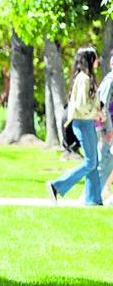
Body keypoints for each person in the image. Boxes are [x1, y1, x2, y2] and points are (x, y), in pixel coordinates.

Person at [47, 46, 103, 205]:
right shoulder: (83, 79)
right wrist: (96, 113)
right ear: (90, 60)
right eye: (95, 57)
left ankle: (93, 200)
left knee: (93, 162)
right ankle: (56, 185)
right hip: (82, 123)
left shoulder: (86, 78)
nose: (98, 61)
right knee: (90, 162)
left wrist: (98, 110)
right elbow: (81, 105)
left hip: (87, 122)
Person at [98, 52, 113, 199]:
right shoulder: (110, 81)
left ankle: (105, 189)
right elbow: (104, 106)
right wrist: (108, 129)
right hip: (108, 126)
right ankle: (101, 189)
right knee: (105, 158)